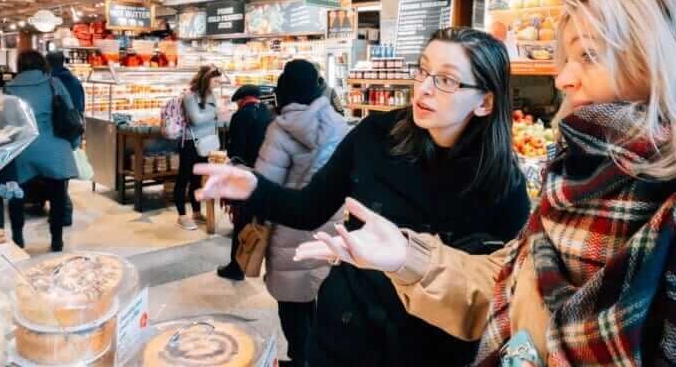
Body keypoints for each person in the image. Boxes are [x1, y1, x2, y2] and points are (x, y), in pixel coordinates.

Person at [296, 0, 676, 367]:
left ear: (658, 63)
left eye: (588, 55)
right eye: (424, 72)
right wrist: (404, 257)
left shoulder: (516, 182)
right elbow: (508, 290)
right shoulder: (571, 181)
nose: (563, 78)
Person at [195, 28, 530, 367]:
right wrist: (254, 188)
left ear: (485, 102)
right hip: (343, 332)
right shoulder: (374, 136)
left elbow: (501, 296)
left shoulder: (505, 187)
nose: (424, 88)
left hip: (430, 350)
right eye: (423, 70)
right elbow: (309, 208)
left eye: (446, 80)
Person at [258, 59, 350, 366]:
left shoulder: (280, 129)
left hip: (290, 231)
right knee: (318, 301)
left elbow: (264, 185)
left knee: (293, 309)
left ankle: (300, 358)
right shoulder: (339, 123)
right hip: (331, 230)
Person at [3, 50, 79, 252]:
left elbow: (4, 123)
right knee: (57, 197)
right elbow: (71, 114)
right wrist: (72, 145)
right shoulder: (54, 84)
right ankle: (56, 240)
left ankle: (18, 239)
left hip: (22, 150)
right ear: (42, 64)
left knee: (16, 195)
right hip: (54, 148)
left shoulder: (9, 89)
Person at [217, 84, 274, 281]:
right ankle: (256, 264)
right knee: (259, 222)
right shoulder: (269, 114)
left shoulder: (241, 116)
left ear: (241, 100)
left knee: (242, 221)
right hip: (267, 175)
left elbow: (235, 152)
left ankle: (237, 267)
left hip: (245, 176)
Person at [176, 65, 222, 230]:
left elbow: (209, 118)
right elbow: (196, 119)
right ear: (206, 79)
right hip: (190, 142)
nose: (217, 83)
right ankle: (182, 216)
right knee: (184, 178)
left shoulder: (211, 96)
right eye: (215, 79)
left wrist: (215, 113)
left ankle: (196, 212)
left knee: (197, 180)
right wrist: (216, 112)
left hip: (206, 142)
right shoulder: (189, 97)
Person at [47, 50, 85, 226]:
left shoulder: (49, 82)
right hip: (70, 130)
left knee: (54, 177)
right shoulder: (74, 80)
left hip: (54, 130)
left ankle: (63, 212)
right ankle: (63, 212)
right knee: (62, 178)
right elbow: (81, 108)